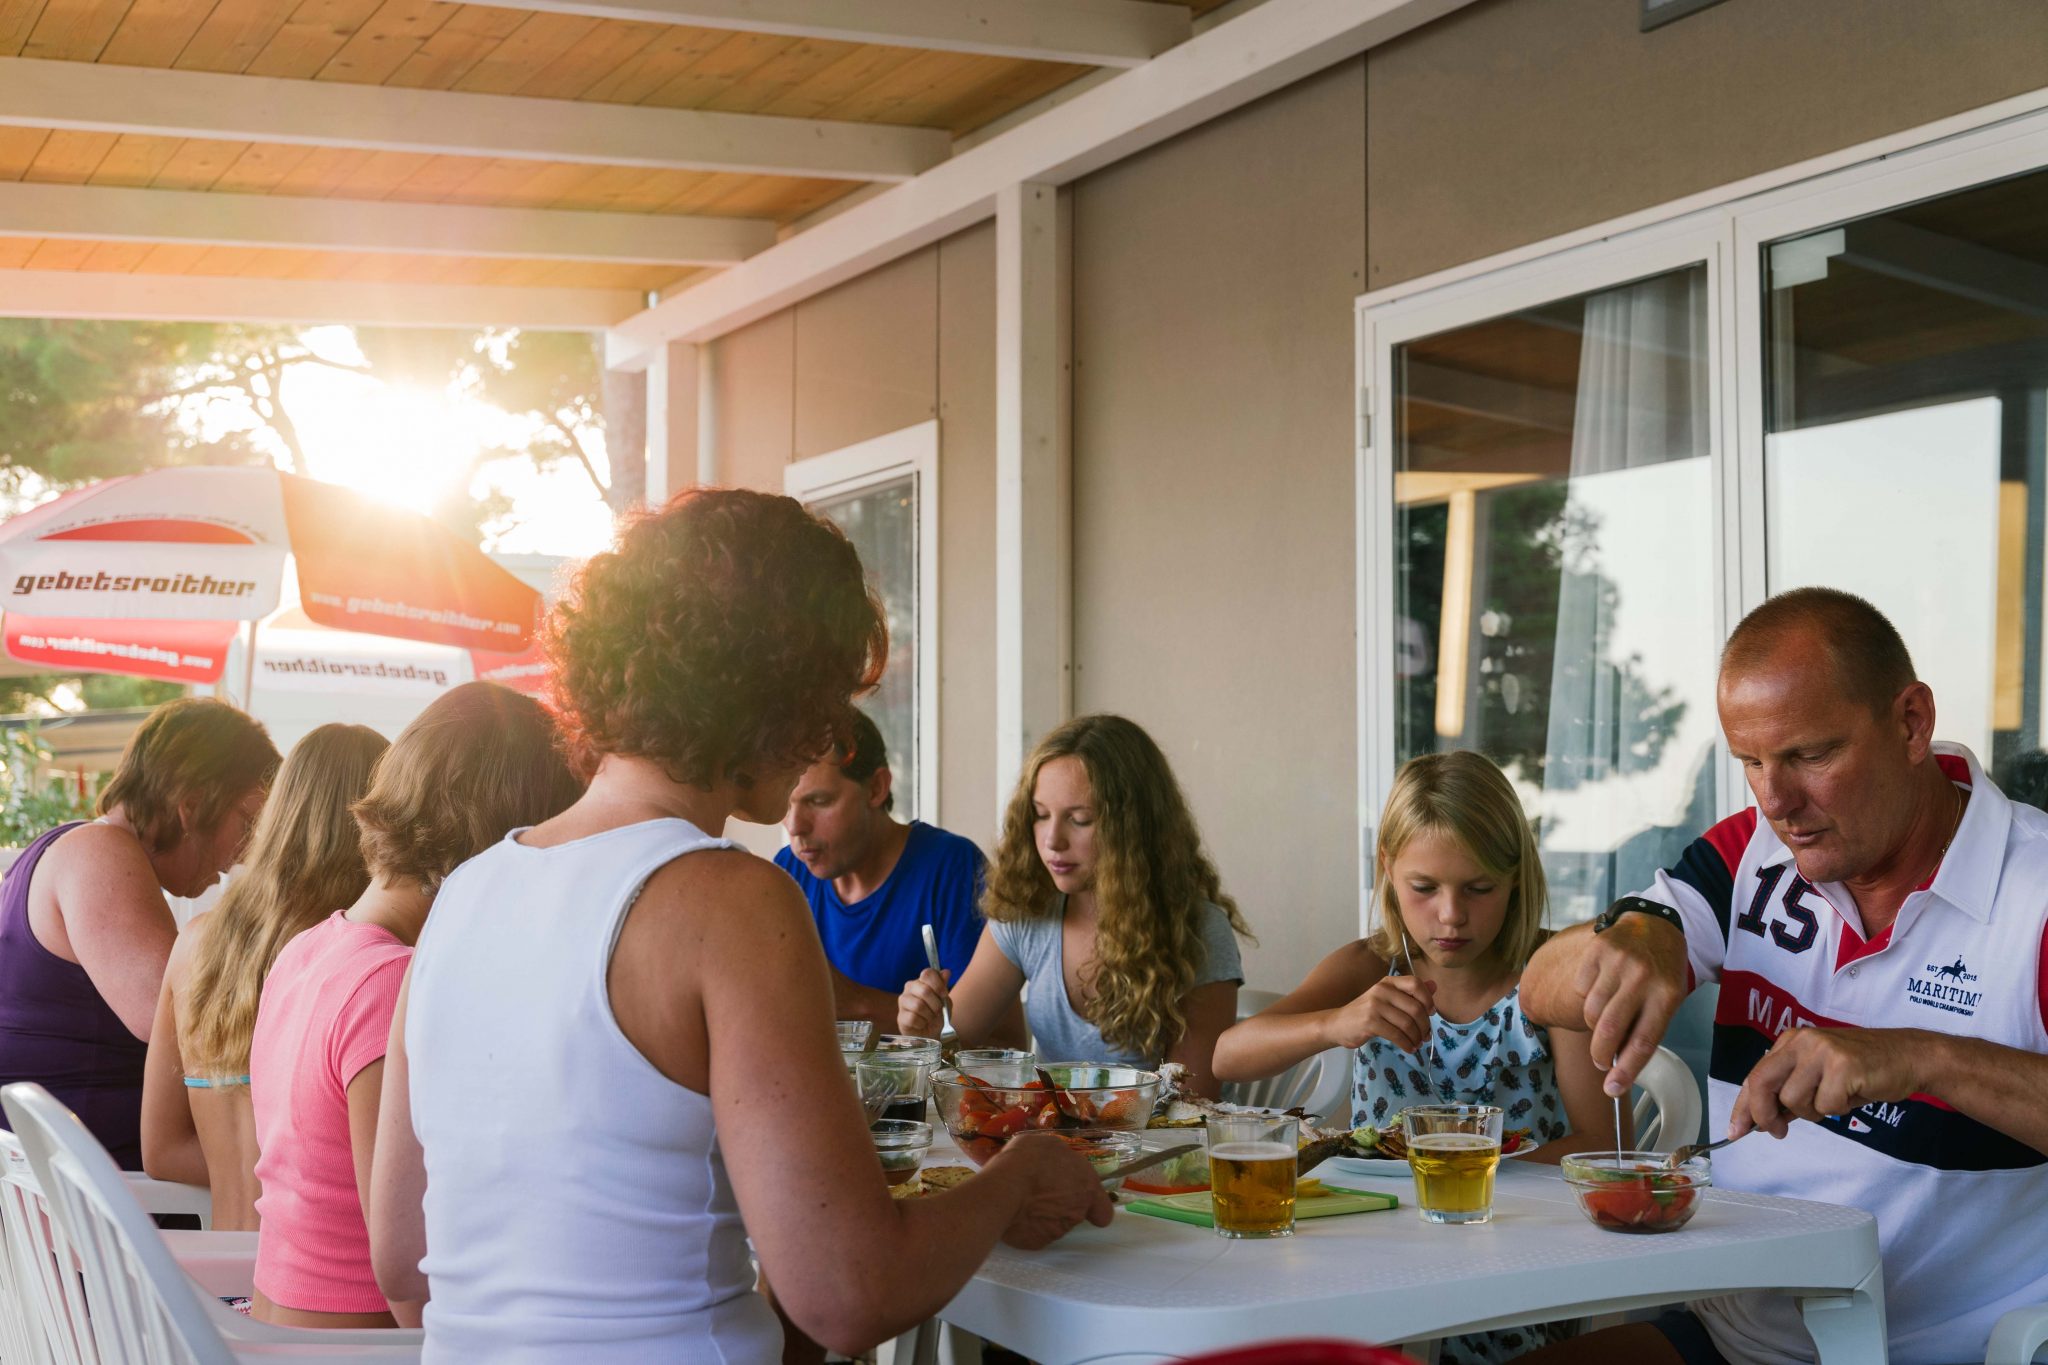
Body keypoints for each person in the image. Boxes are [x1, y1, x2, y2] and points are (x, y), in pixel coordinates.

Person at [366, 488, 1111, 1365]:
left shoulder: (463, 893)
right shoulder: (733, 901)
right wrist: (1018, 1174)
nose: (831, 729)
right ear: (763, 689)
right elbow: (848, 1291)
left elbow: (400, 1257)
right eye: (824, 693)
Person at [1515, 587, 2048, 1365]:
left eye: (1810, 755)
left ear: (1911, 722)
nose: (1777, 802)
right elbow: (1538, 987)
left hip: (1928, 1349)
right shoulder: (1751, 853)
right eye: (1751, 762)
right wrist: (1642, 930)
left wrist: (1918, 1057)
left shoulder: (2033, 893)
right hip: (1725, 1333)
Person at [1213, 751, 1614, 1365]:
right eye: (1423, 889)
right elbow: (1227, 1058)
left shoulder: (1548, 978)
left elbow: (1604, 1146)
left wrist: (1473, 1166)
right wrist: (1335, 1023)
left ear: (1515, 878)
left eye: (1478, 889)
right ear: (1389, 873)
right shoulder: (1369, 966)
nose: (1450, 916)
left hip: (1509, 1260)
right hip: (1371, 1242)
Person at [248, 683, 582, 1330]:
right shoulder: (394, 983)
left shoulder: (312, 947)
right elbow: (408, 1270)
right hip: (357, 1344)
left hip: (272, 1330)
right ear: (500, 842)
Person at [898, 714, 1250, 1097]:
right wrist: (926, 1033)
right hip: (1053, 1139)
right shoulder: (1028, 913)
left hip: (1158, 1149)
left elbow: (1190, 1103)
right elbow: (954, 1045)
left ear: (1133, 828)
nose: (1052, 840)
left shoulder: (1198, 933)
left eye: (1080, 819)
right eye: (1040, 815)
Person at [0, 697, 279, 1168]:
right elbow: (183, 1023)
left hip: (83, 1192)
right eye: (248, 821)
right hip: (103, 1212)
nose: (249, 851)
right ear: (192, 806)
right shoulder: (98, 853)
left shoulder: (75, 849)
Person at [138, 722, 389, 1231]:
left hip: (219, 1292)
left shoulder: (196, 944)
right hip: (306, 1291)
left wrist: (241, 1170)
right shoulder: (353, 960)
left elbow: (161, 1152)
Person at [778, 710, 1014, 1038]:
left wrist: (854, 1004)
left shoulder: (953, 869)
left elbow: (1004, 1045)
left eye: (818, 801)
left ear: (876, 788)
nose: (794, 826)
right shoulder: (787, 873)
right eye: (787, 804)